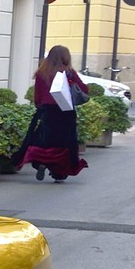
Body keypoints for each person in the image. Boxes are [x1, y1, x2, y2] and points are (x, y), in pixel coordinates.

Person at [17, 45, 90, 182]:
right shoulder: (68, 72)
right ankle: (59, 173)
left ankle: (42, 162)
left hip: (47, 111)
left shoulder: (41, 72)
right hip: (65, 112)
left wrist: (40, 107)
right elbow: (84, 89)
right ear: (65, 57)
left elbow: (37, 96)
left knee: (45, 140)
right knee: (64, 143)